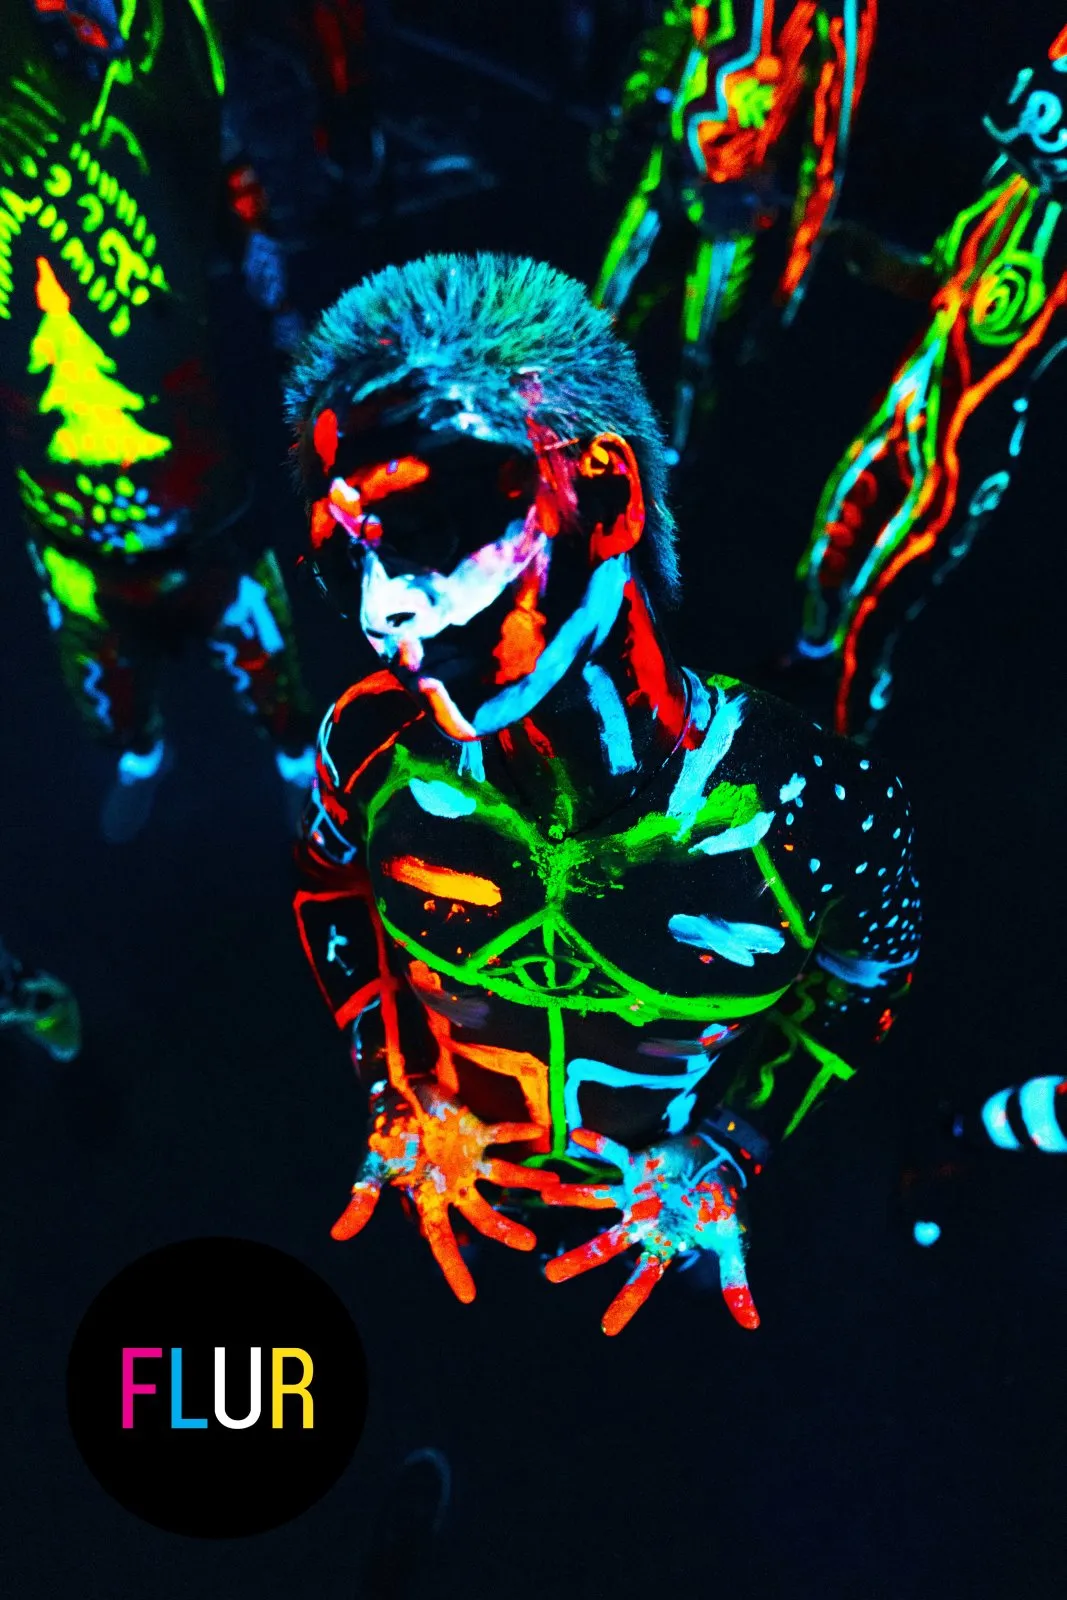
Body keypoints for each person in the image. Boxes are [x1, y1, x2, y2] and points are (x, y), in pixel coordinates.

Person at [288, 253, 920, 1336]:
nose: (384, 607)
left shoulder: (813, 806)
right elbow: (326, 885)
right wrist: (388, 1082)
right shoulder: (368, 744)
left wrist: (731, 1147)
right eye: (346, 561)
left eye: (432, 531)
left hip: (666, 1232)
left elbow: (865, 989)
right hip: (441, 1199)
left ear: (609, 495)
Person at [0, 0, 316, 840]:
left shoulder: (156, 63)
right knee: (96, 660)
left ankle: (295, 758)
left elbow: (232, 178)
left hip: (194, 474)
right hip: (59, 499)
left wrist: (280, 309)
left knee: (253, 633)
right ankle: (139, 752)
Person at [794, 22, 1067, 738]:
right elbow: (943, 278)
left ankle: (849, 745)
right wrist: (878, 261)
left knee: (876, 607)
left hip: (969, 446)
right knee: (830, 548)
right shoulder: (1007, 182)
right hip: (909, 404)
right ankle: (799, 675)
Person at [590, 0, 877, 462]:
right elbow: (675, 25)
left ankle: (675, 471)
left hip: (735, 202)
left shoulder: (839, 10)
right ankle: (562, 444)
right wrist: (625, 110)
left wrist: (789, 290)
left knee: (698, 357)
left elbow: (827, 152)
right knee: (604, 321)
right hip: (672, 168)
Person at [0, 938, 81, 1062]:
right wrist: (37, 985)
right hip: (32, 987)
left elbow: (30, 1024)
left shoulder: (45, 1033)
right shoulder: (66, 1016)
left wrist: (14, 1016)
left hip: (23, 1000)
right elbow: (62, 997)